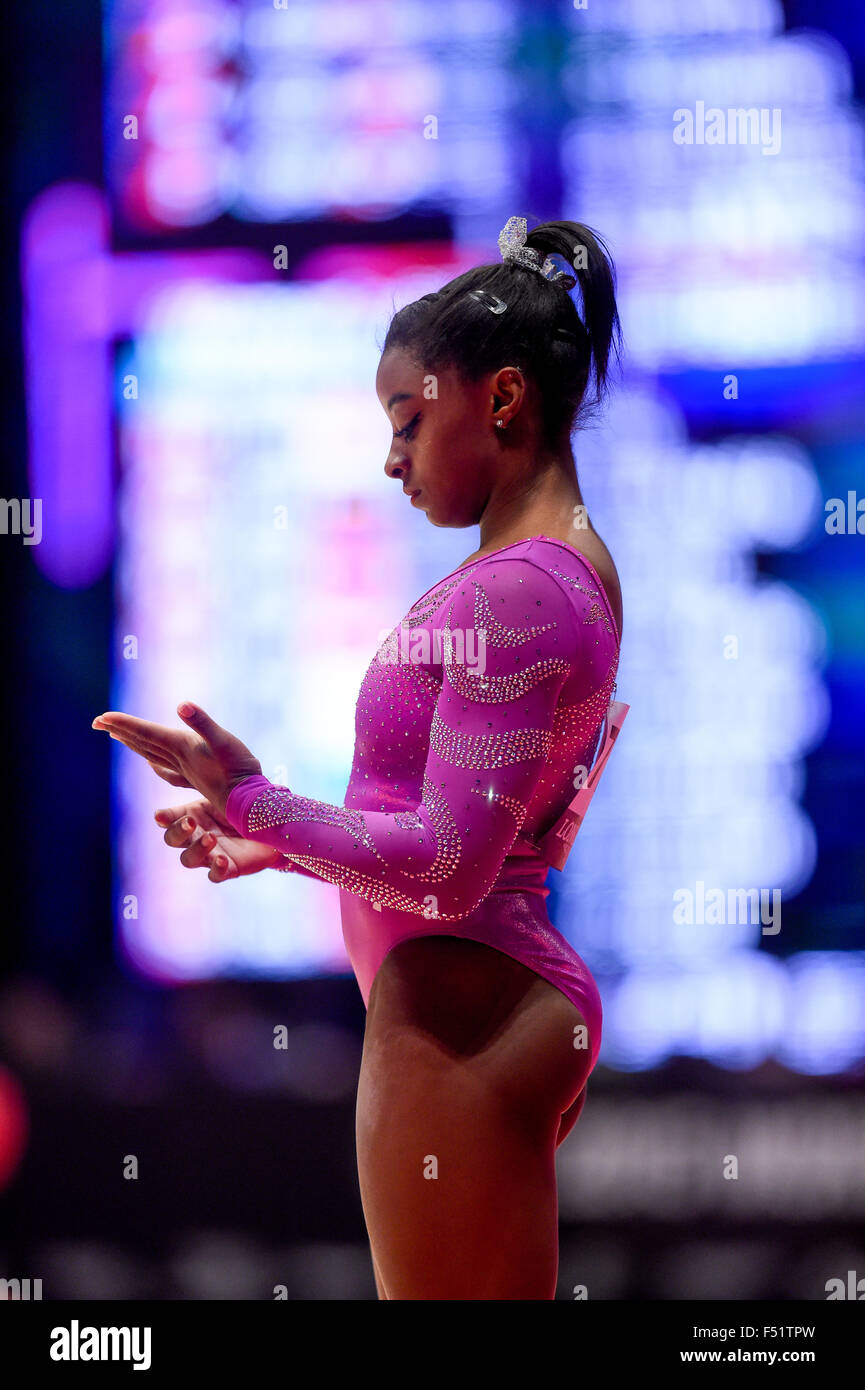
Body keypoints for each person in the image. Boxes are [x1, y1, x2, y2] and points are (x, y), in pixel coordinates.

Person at [92, 216, 627, 1300]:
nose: (391, 459)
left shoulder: (522, 591)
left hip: (458, 1007)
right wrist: (280, 845)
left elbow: (448, 864)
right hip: (474, 994)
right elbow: (486, 830)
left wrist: (253, 795)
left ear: (504, 399)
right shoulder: (554, 572)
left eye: (407, 420)